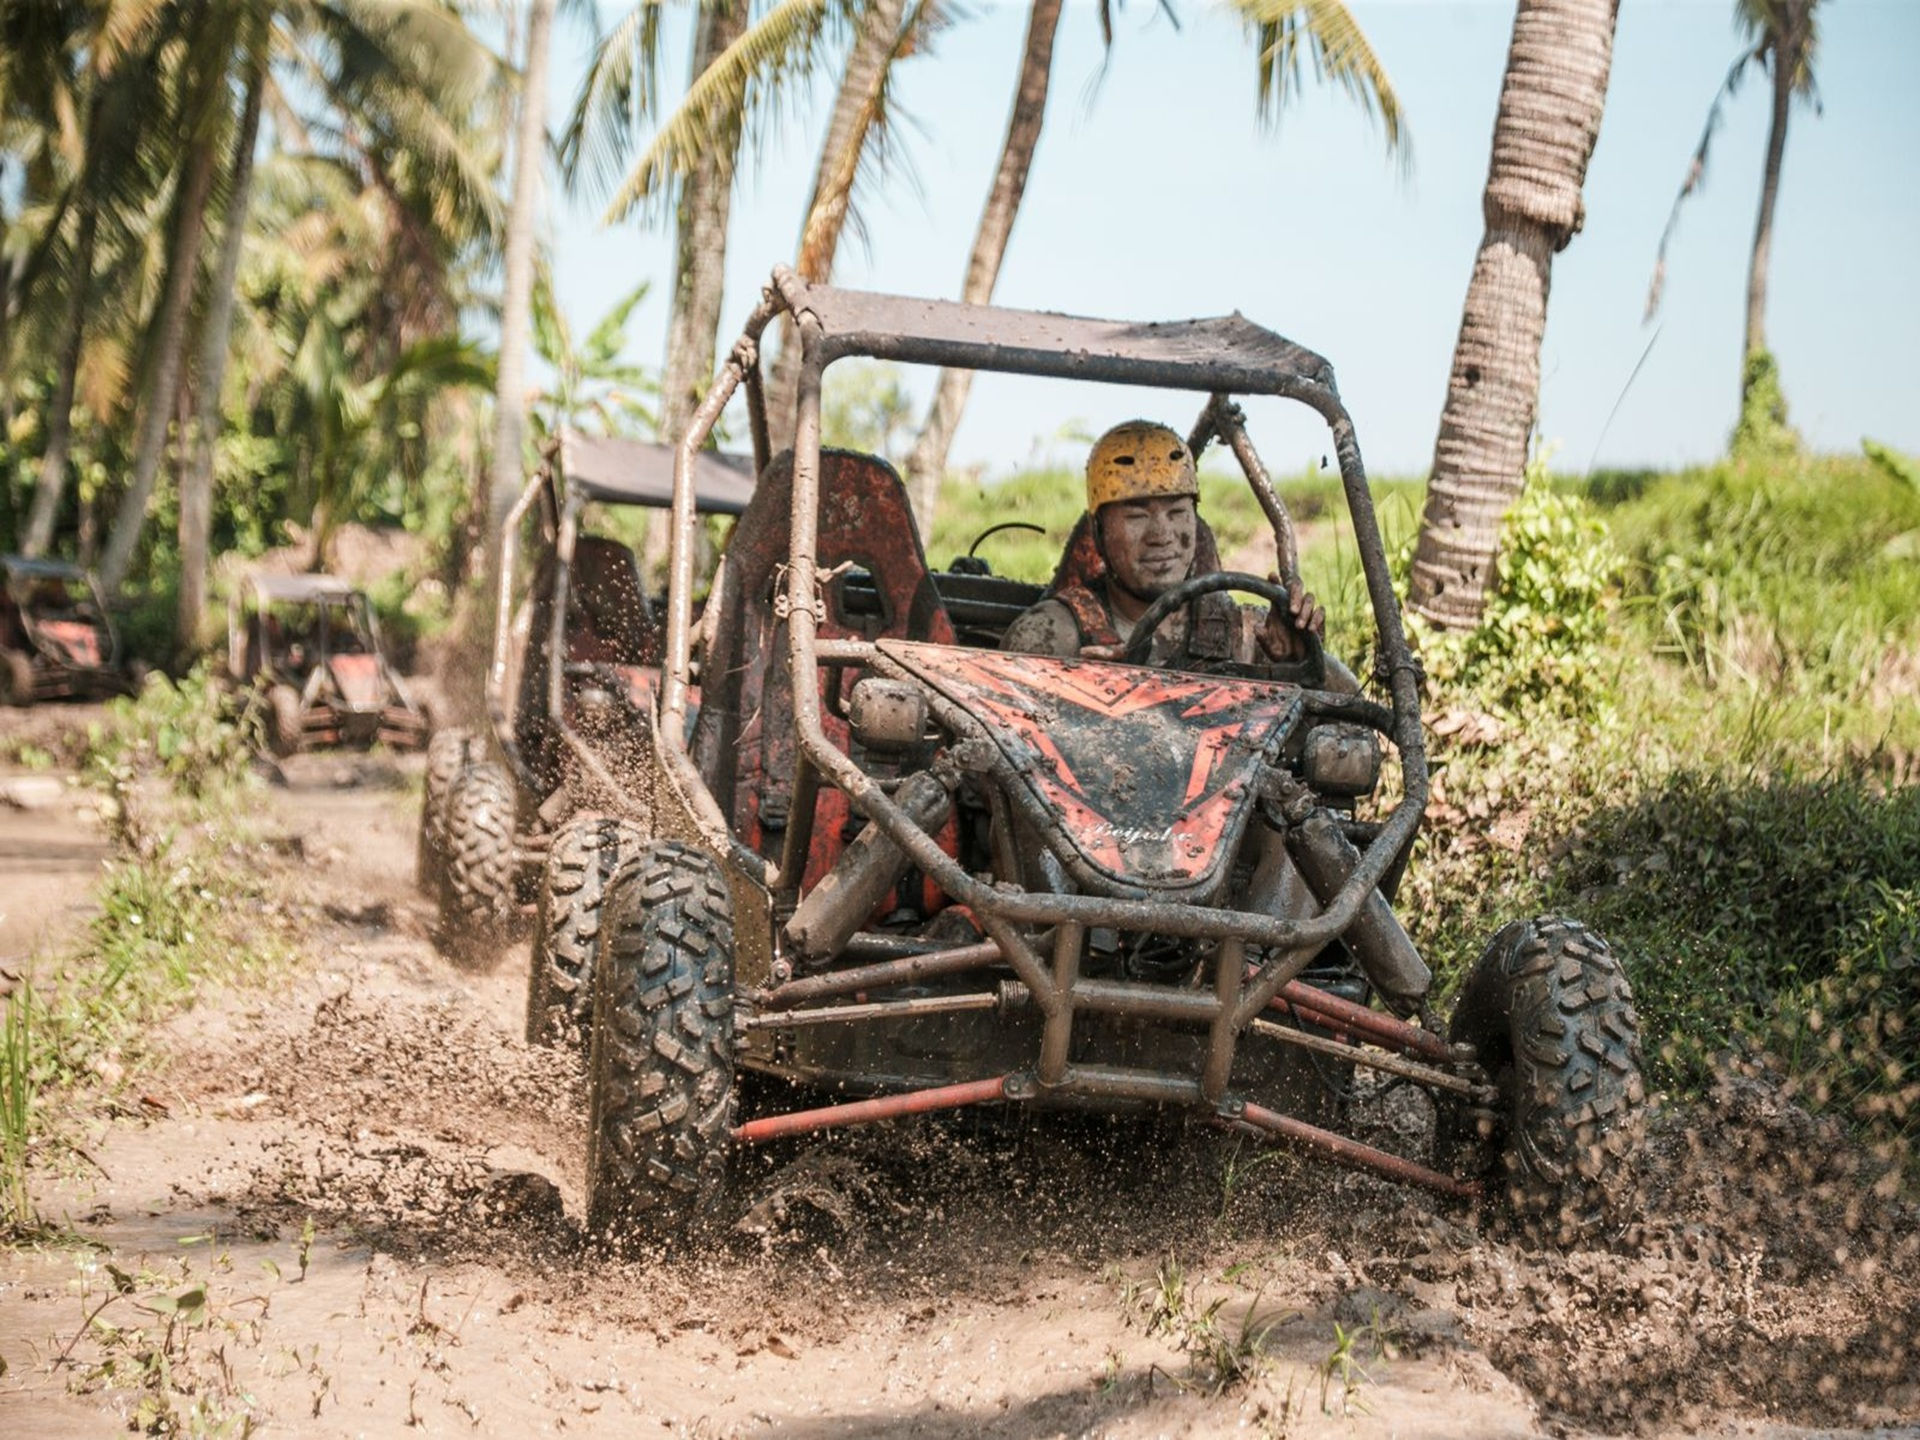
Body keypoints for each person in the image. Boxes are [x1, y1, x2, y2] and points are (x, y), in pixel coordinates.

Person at [1001, 420, 1341, 677]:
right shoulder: (1050, 637)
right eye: (1136, 515)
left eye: (1177, 512)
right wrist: (1075, 687)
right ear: (1098, 532)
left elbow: (1349, 713)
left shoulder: (1250, 635)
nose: (1161, 534)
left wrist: (1304, 664)